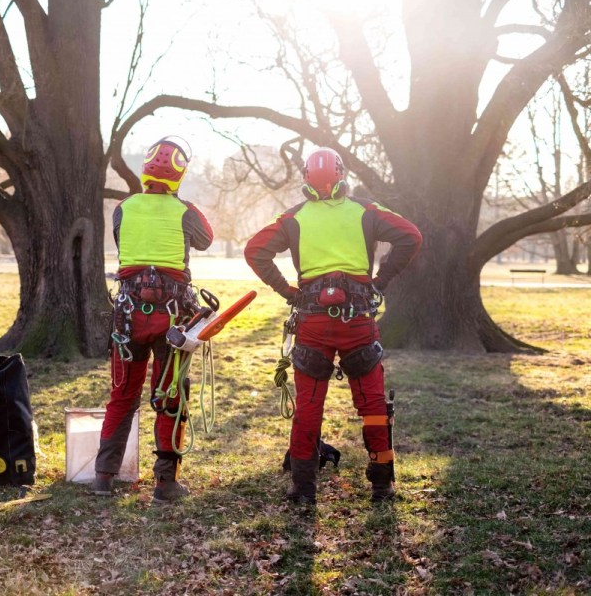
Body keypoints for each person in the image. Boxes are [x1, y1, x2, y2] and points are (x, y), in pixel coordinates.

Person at [244, 147, 422, 504]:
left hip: (312, 321)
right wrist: (381, 280)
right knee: (372, 404)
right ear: (341, 176)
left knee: (309, 405)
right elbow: (411, 236)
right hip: (357, 320)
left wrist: (288, 290)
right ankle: (381, 484)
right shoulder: (365, 210)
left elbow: (254, 250)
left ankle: (304, 488)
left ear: (306, 179)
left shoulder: (294, 217)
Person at [93, 136, 214, 504]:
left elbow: (120, 240)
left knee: (122, 396)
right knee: (169, 395)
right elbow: (206, 240)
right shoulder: (185, 211)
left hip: (128, 318)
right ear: (179, 175)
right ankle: (165, 484)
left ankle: (103, 477)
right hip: (172, 319)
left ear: (145, 169)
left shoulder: (123, 208)